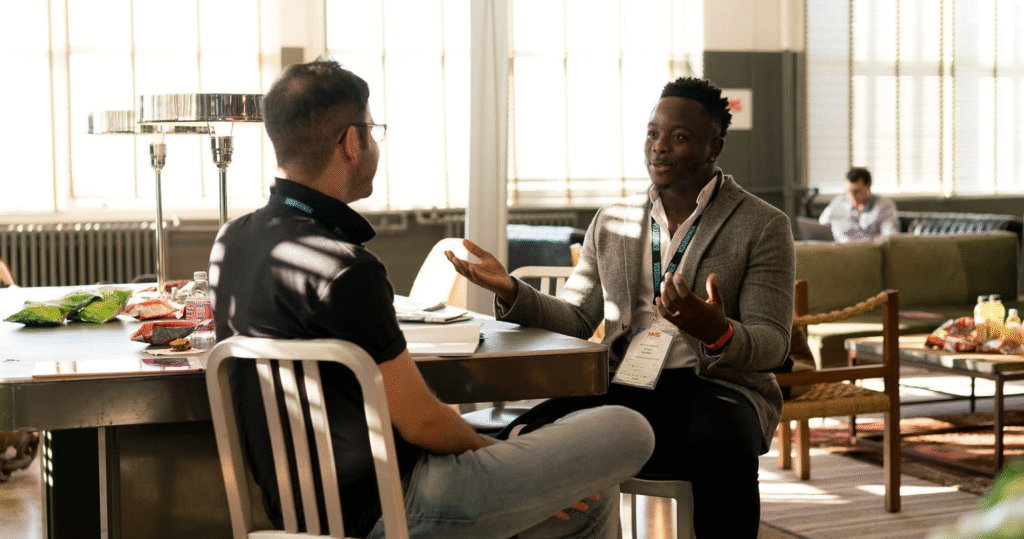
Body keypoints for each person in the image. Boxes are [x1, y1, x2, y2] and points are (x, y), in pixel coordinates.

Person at [208, 59, 654, 539]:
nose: (375, 143)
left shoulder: (232, 241)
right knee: (629, 428)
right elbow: (422, 422)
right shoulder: (346, 269)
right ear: (351, 142)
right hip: (396, 508)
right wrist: (499, 456)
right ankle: (519, 449)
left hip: (300, 514)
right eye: (373, 131)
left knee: (588, 497)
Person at [447, 77, 795, 538]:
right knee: (530, 432)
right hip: (626, 382)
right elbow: (575, 319)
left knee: (722, 440)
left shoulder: (763, 224)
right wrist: (513, 291)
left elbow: (773, 345)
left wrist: (717, 331)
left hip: (716, 389)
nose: (659, 148)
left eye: (678, 137)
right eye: (652, 133)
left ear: (714, 147)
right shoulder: (611, 222)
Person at [818, 167, 900, 243]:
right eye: (848, 191)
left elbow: (890, 237)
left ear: (869, 185)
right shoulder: (839, 202)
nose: (852, 196)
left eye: (856, 191)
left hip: (868, 251)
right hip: (839, 251)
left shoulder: (884, 206)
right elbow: (821, 226)